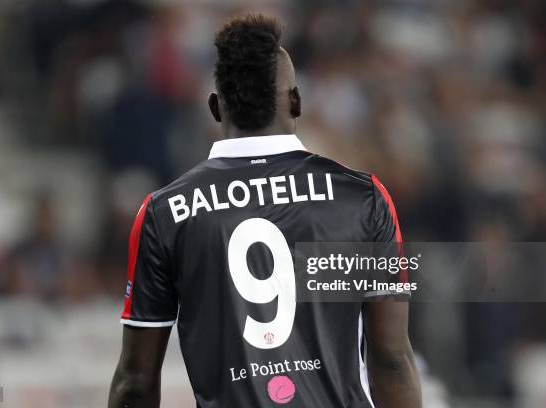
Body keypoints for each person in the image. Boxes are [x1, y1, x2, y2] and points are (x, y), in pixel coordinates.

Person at [109, 14, 421, 408]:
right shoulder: (363, 198)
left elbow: (135, 382)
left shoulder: (164, 213)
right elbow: (391, 361)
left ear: (215, 108)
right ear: (295, 101)